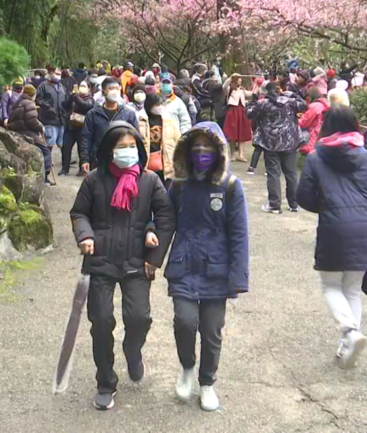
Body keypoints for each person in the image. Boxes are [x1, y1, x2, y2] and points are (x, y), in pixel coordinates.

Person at [70, 121, 176, 411]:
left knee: (139, 317)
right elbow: (79, 213)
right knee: (101, 322)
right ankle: (105, 382)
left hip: (137, 262)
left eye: (133, 147)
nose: (128, 152)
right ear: (109, 150)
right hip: (100, 262)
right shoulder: (94, 180)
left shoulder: (149, 180)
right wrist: (85, 235)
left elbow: (165, 216)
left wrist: (154, 256)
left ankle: (133, 349)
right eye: (121, 147)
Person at [166, 122, 249, 411]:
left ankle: (207, 382)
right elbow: (165, 221)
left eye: (208, 147)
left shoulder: (229, 186)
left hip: (217, 267)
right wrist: (150, 251)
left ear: (219, 151)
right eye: (196, 147)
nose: (202, 152)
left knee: (212, 330)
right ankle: (187, 366)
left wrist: (238, 276)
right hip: (184, 263)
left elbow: (239, 234)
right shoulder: (178, 185)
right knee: (184, 321)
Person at [297, 107, 367, 369]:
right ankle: (349, 344)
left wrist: (325, 206)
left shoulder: (316, 157)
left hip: (334, 227)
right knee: (352, 289)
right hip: (366, 227)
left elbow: (303, 196)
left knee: (331, 286)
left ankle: (349, 333)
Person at [247, 81, 307, 214]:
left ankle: (275, 205)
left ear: (266, 91)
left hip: (270, 142)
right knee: (291, 173)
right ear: (280, 90)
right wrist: (294, 94)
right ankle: (294, 204)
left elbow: (249, 113)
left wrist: (253, 98)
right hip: (290, 141)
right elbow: (304, 105)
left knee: (273, 174)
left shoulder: (263, 104)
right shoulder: (290, 102)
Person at [80, 77, 138, 174]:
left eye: (117, 88)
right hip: (99, 161)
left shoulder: (128, 114)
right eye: (111, 89)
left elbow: (136, 137)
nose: (115, 91)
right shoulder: (93, 114)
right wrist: (84, 159)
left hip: (122, 161)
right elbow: (86, 138)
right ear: (103, 92)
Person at [9, 85, 54, 185]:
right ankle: (45, 176)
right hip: (27, 132)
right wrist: (40, 127)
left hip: (16, 132)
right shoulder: (30, 103)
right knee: (46, 151)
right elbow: (32, 121)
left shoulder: (17, 102)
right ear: (33, 94)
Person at [137, 93, 180, 184]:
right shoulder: (140, 122)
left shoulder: (169, 122)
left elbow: (178, 141)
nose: (160, 107)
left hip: (166, 167)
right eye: (157, 104)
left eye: (162, 104)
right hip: (146, 165)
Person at [62, 80, 95, 177]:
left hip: (82, 128)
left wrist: (76, 97)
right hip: (70, 126)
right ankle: (65, 168)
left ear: (89, 89)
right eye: (81, 86)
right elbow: (64, 105)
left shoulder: (90, 99)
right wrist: (71, 97)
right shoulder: (74, 97)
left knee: (82, 149)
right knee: (66, 148)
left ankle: (82, 169)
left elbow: (85, 106)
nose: (82, 88)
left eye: (84, 86)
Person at [37, 68, 68, 154]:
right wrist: (48, 106)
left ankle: (65, 161)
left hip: (61, 119)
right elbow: (38, 99)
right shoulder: (43, 86)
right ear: (51, 73)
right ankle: (47, 161)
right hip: (49, 119)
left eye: (60, 74)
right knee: (49, 143)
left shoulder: (61, 86)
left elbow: (65, 99)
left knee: (62, 143)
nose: (58, 76)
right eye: (57, 73)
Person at [222, 75, 253, 162]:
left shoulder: (242, 89)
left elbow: (250, 94)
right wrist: (231, 78)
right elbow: (224, 86)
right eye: (239, 80)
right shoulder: (229, 89)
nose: (240, 81)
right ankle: (232, 155)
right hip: (232, 111)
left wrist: (256, 85)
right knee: (232, 133)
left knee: (241, 133)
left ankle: (241, 155)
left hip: (241, 111)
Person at [299, 87, 329, 156]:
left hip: (313, 136)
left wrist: (294, 120)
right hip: (321, 133)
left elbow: (304, 123)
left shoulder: (314, 106)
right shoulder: (324, 103)